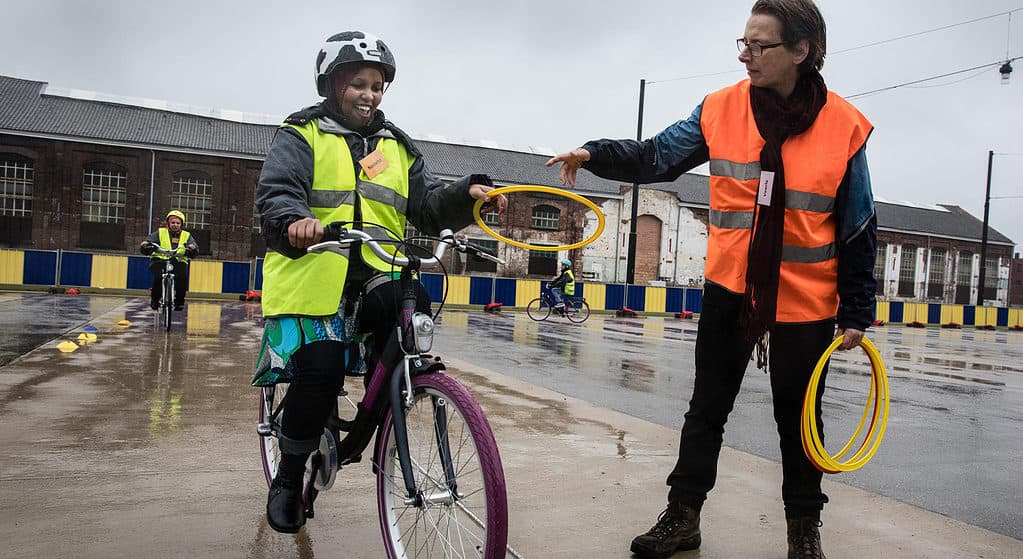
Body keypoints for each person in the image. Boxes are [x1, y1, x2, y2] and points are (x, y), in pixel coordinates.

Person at [546, 1, 876, 557]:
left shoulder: (844, 126)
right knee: (706, 410)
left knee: (801, 426)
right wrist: (594, 151)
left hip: (805, 304)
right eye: (741, 43)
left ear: (801, 51)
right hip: (730, 291)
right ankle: (682, 517)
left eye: (760, 45)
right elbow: (654, 157)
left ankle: (802, 533)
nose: (745, 55)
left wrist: (856, 311)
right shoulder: (721, 109)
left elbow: (859, 225)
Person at [252, 30, 507, 535]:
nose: (369, 95)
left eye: (377, 86)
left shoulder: (396, 146)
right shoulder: (301, 134)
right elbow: (277, 194)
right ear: (333, 85)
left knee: (414, 306)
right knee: (321, 368)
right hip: (313, 268)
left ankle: (382, 404)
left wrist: (467, 195)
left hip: (375, 267)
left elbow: (429, 203)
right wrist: (293, 222)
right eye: (358, 84)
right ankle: (288, 475)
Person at [140, 210, 198, 311]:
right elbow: (150, 241)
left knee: (182, 278)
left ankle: (179, 302)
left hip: (178, 261)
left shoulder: (186, 235)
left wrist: (192, 247)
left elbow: (194, 246)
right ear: (168, 223)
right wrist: (146, 243)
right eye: (173, 222)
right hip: (160, 260)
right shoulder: (161, 232)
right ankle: (155, 299)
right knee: (158, 277)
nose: (175, 225)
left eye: (178, 223)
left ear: (181, 224)